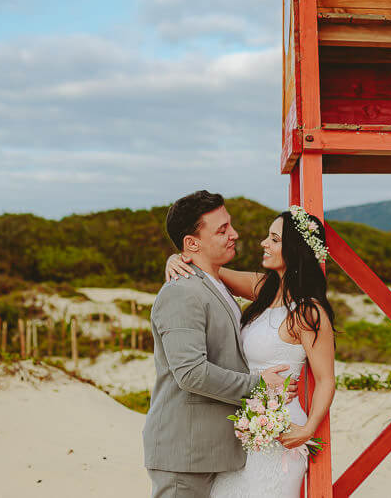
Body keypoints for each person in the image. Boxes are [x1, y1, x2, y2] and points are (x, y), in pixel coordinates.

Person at [164, 205, 336, 498]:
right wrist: (176, 258)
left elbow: (327, 379)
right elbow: (208, 269)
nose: (263, 243)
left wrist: (307, 429)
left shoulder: (309, 313)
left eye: (274, 239)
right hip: (242, 428)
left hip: (280, 430)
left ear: (294, 250)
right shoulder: (263, 288)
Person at [144, 190, 295, 498]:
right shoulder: (181, 292)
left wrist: (181, 257)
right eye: (222, 229)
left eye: (231, 225)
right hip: (184, 454)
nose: (234, 234)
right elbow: (191, 373)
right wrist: (258, 386)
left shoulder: (213, 284)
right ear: (192, 243)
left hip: (211, 451)